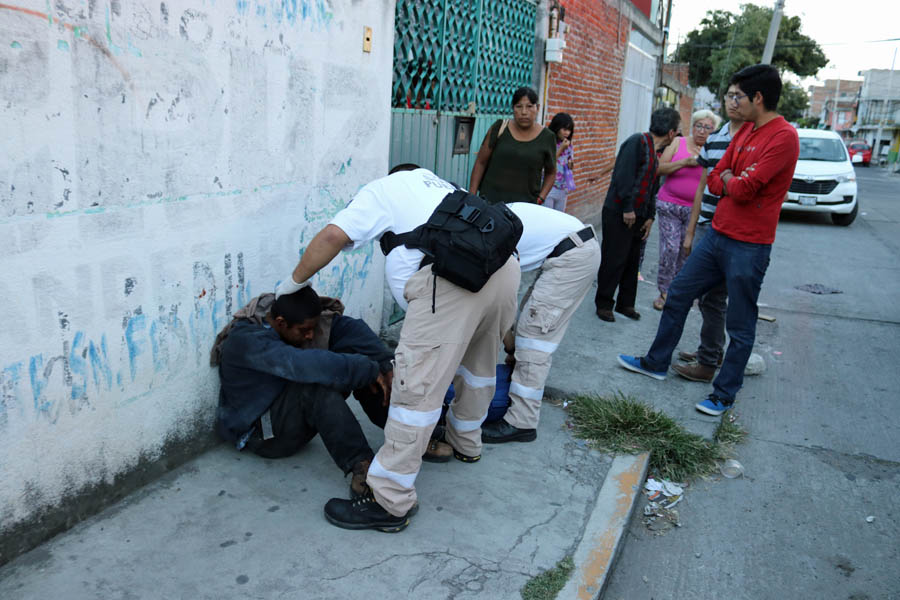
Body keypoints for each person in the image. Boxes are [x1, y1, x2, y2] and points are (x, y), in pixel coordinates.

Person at [274, 166, 520, 532]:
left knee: (415, 392)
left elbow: (332, 236)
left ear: (394, 173)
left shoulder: (383, 189)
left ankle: (390, 501)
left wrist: (291, 285)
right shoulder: (439, 184)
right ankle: (466, 442)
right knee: (477, 366)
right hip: (503, 269)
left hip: (451, 283)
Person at [617, 64, 799, 416]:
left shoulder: (783, 136)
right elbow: (715, 178)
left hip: (749, 244)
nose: (733, 102)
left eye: (738, 96)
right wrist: (733, 176)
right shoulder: (744, 131)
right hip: (717, 234)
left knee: (740, 325)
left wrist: (732, 178)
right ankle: (656, 362)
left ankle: (723, 394)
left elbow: (744, 190)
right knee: (679, 292)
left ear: (757, 98)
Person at [213, 286, 425, 503]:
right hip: (262, 434)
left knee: (362, 365)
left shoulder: (290, 322)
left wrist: (382, 362)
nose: (311, 335)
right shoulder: (247, 341)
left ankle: (408, 435)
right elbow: (301, 365)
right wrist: (367, 369)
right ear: (280, 322)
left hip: (285, 412)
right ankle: (361, 465)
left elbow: (344, 328)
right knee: (319, 385)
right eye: (304, 330)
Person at [480, 202, 601, 443]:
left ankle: (521, 422)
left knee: (534, 337)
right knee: (529, 322)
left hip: (572, 256)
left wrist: (513, 346)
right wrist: (512, 346)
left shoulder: (483, 237)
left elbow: (498, 302)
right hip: (572, 248)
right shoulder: (482, 218)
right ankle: (520, 390)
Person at [673, 87, 747, 383]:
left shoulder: (753, 139)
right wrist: (690, 233)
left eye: (740, 95)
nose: (734, 101)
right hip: (707, 227)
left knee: (714, 299)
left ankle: (710, 359)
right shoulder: (715, 141)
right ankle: (711, 351)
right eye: (730, 95)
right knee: (704, 297)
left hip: (735, 234)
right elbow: (701, 190)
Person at [594, 107, 681, 323]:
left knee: (632, 261)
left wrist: (650, 216)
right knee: (614, 258)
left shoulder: (654, 150)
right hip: (619, 212)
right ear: (671, 133)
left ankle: (626, 304)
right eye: (676, 132)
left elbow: (652, 185)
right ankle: (604, 303)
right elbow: (623, 177)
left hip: (639, 215)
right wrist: (627, 208)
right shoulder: (637, 142)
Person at [652, 110, 720, 311]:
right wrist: (684, 162)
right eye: (698, 125)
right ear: (692, 126)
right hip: (669, 204)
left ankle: (679, 292)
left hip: (695, 209)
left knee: (686, 251)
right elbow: (659, 169)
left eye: (708, 127)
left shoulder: (714, 150)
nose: (702, 131)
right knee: (670, 249)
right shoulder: (678, 143)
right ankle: (664, 291)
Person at [469, 86, 557, 205]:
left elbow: (551, 172)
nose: (524, 112)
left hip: (524, 208)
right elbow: (480, 162)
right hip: (490, 204)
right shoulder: (499, 128)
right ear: (513, 108)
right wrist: (471, 197)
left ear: (538, 108)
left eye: (530, 106)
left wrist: (541, 198)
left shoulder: (547, 137)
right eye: (519, 106)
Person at [546, 112, 577, 212]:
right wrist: (561, 148)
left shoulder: (569, 145)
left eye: (569, 130)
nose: (567, 133)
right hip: (549, 187)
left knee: (559, 219)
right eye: (564, 129)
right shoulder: (549, 142)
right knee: (547, 217)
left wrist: (571, 164)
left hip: (563, 188)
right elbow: (548, 161)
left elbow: (570, 164)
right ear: (557, 127)